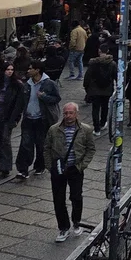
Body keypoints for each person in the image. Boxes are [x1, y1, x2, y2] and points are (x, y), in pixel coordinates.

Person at [44, 103, 95, 243]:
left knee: (76, 197)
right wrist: (50, 167)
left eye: (71, 113)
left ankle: (76, 221)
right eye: (66, 113)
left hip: (75, 168)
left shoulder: (85, 130)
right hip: (58, 169)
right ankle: (63, 227)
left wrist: (81, 166)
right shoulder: (53, 130)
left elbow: (90, 149)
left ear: (76, 114)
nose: (68, 116)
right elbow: (46, 149)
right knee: (58, 199)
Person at [16, 62, 61, 179]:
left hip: (42, 119)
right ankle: (23, 169)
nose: (28, 71)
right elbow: (21, 102)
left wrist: (44, 97)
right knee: (25, 144)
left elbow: (57, 98)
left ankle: (40, 166)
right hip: (28, 118)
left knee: (41, 144)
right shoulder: (27, 85)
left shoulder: (49, 83)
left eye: (31, 69)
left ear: (37, 70)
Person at [83, 52, 116, 137]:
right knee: (105, 106)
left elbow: (87, 77)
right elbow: (116, 76)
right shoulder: (112, 64)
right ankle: (103, 123)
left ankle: (96, 129)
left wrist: (87, 88)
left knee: (95, 108)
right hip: (107, 90)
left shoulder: (93, 64)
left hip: (95, 89)